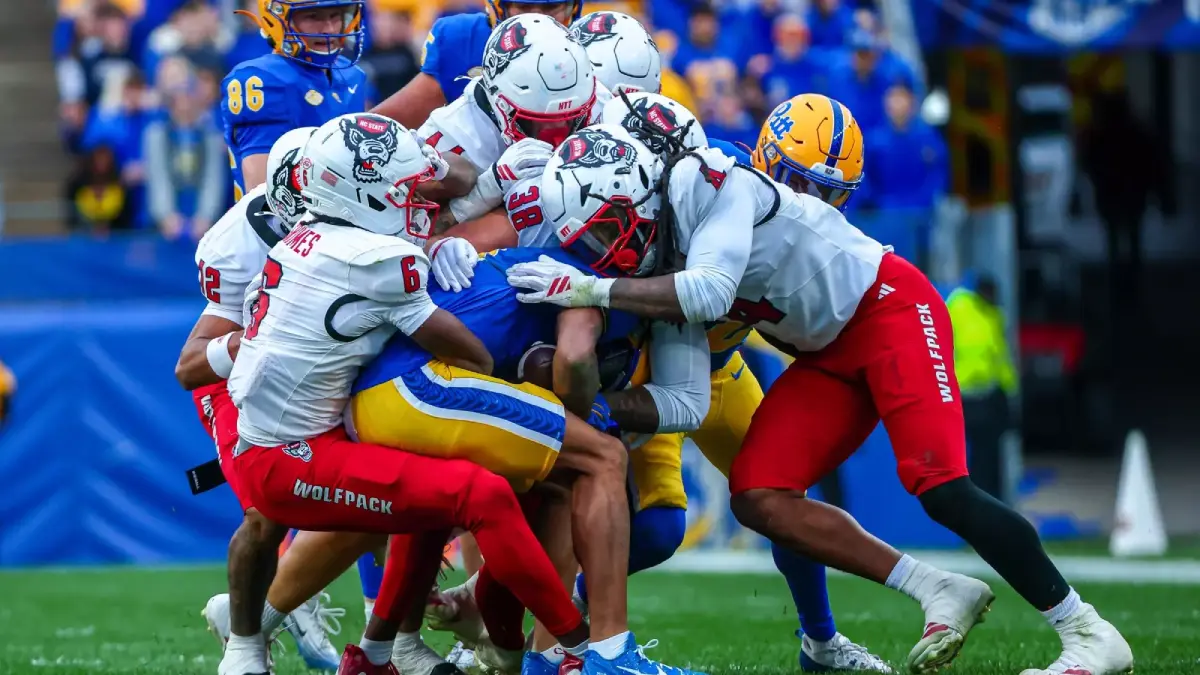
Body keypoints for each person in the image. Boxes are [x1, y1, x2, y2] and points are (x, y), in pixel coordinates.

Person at [507, 94, 1136, 675]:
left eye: (820, 187)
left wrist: (596, 290)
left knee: (939, 486)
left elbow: (710, 291)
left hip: (889, 310)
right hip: (826, 351)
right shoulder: (661, 245)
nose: (808, 196)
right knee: (758, 495)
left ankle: (1087, 631)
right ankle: (932, 586)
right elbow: (687, 401)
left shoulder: (718, 182)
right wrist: (588, 407)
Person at [433, 92, 889, 673]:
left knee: (781, 493)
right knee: (638, 521)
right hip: (646, 356)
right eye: (802, 184)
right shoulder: (676, 181)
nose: (813, 203)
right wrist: (457, 239)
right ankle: (536, 637)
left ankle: (821, 642)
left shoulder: (765, 212)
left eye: (830, 194)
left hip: (717, 368)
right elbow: (565, 229)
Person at [222, 112, 589, 675]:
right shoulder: (380, 260)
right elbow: (473, 356)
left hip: (265, 441)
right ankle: (578, 648)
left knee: (433, 475)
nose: (421, 204)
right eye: (407, 191)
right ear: (362, 195)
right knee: (482, 493)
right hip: (295, 459)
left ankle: (353, 654)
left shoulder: (304, 237)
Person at [349, 126, 711, 675]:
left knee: (553, 484)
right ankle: (608, 654)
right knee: (602, 456)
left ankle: (531, 655)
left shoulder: (536, 243)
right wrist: (587, 408)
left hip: (388, 386)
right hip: (418, 385)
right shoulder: (589, 271)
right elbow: (571, 354)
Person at [177, 127, 352, 671]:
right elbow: (191, 365)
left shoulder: (362, 205)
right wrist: (257, 336)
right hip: (238, 378)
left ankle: (384, 636)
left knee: (377, 490)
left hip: (317, 364)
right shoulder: (240, 240)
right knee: (268, 507)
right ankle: (258, 626)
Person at [221, 0, 369, 201]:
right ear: (278, 19)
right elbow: (266, 199)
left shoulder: (352, 76)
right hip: (282, 226)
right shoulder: (264, 80)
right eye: (313, 16)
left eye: (335, 15)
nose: (328, 28)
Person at [370, 0, 582, 128]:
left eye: (552, 7)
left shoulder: (593, 47)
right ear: (498, 8)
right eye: (524, 6)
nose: (538, 20)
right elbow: (387, 122)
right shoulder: (464, 39)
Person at [946, 275, 1017, 501]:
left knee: (991, 456)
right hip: (967, 395)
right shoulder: (958, 308)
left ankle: (991, 501)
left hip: (991, 395)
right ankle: (977, 501)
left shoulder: (993, 315)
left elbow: (999, 356)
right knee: (976, 456)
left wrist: (1008, 390)